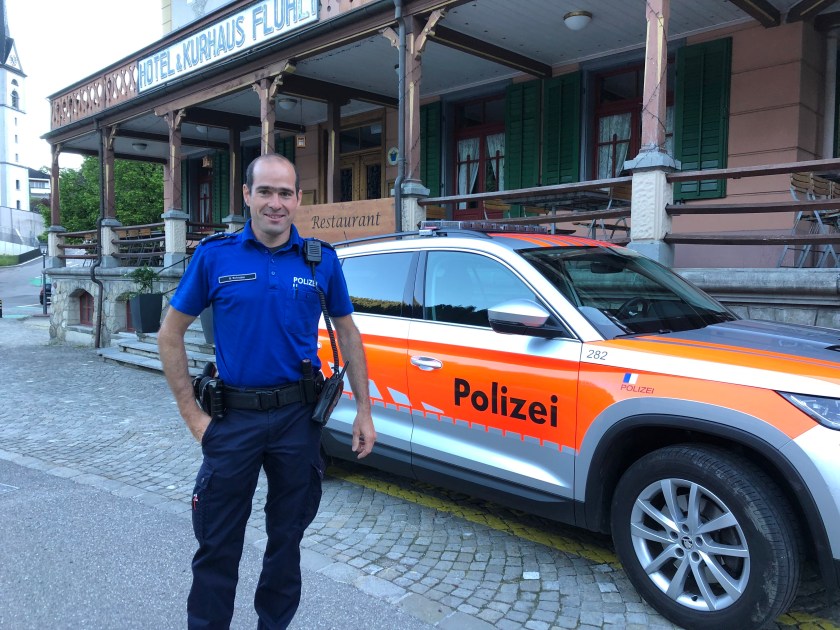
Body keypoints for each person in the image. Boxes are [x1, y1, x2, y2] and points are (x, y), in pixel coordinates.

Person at [157, 153, 375, 629]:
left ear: (298, 199)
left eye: (285, 193)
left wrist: (364, 410)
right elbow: (169, 333)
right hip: (233, 419)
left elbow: (348, 332)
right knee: (217, 544)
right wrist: (193, 416)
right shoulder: (215, 256)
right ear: (247, 196)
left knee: (286, 542)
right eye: (265, 192)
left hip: (298, 420)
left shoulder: (321, 259)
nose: (275, 203)